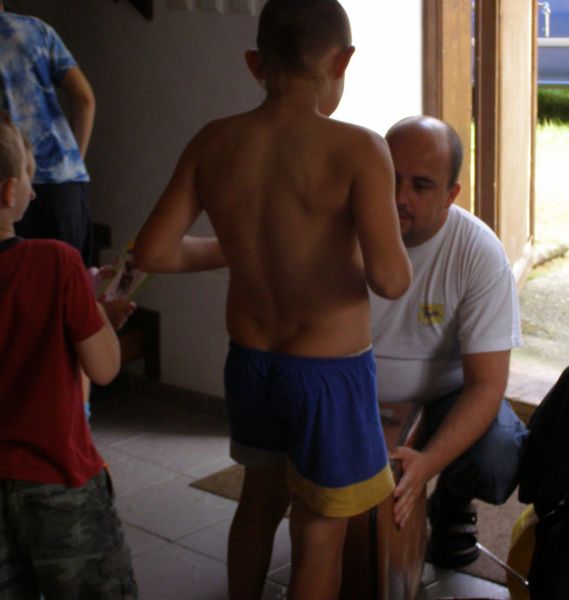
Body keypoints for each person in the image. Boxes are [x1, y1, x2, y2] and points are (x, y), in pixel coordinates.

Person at [132, 1, 411, 598]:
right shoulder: (360, 148)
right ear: (342, 61)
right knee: (318, 531)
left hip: (251, 365)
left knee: (259, 503)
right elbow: (391, 280)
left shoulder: (214, 141)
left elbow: (152, 252)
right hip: (328, 375)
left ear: (255, 63)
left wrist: (240, 246)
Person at [371, 115, 528, 568]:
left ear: (450, 194)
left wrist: (428, 464)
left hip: (445, 397)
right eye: (391, 179)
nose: (399, 197)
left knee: (496, 457)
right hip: (357, 389)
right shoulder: (344, 232)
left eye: (420, 185)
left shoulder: (478, 251)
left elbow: (487, 384)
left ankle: (452, 499)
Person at [0, 113, 137, 599]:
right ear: (8, 192)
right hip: (55, 480)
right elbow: (104, 367)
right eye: (30, 178)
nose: (35, 194)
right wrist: (98, 318)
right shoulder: (56, 261)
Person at [0, 0, 96, 265]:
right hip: (61, 179)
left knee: (15, 281)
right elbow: (85, 98)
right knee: (71, 278)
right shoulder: (37, 30)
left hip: (6, 184)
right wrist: (75, 159)